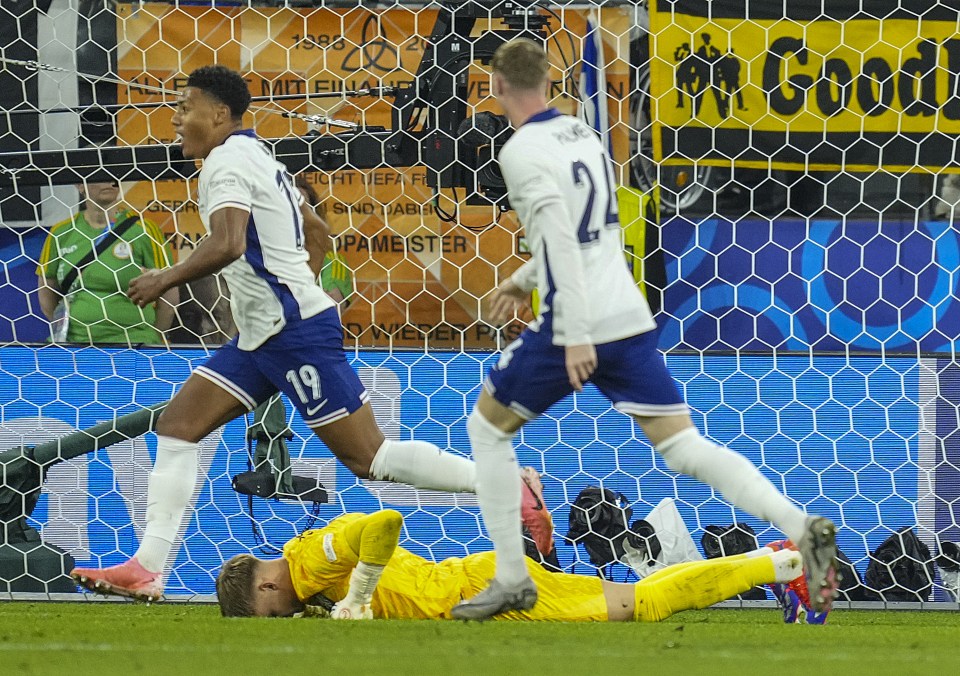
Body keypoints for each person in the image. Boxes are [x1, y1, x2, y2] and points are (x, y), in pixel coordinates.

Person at [69, 65, 550, 602]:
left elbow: (228, 242)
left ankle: (506, 484)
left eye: (187, 107)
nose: (177, 118)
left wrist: (167, 276)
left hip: (290, 332)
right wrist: (299, 283)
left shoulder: (225, 165)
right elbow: (317, 231)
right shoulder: (259, 156)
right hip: (263, 334)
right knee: (180, 426)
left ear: (220, 114)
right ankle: (147, 567)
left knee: (369, 459)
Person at [449, 39, 839, 621]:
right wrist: (522, 277)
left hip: (572, 324)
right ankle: (799, 525)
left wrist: (574, 331)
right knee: (684, 446)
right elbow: (593, 232)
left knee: (487, 431)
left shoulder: (521, 149)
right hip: (628, 315)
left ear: (496, 86)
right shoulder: (582, 135)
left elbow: (559, 236)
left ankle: (513, 578)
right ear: (552, 81)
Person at [216, 508, 806, 621]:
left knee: (643, 605)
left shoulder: (313, 561)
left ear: (267, 584)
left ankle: (780, 563)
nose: (282, 617)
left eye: (271, 611)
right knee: (639, 599)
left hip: (485, 590)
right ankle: (775, 561)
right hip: (478, 591)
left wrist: (358, 594)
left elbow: (384, 523)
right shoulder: (309, 576)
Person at [36, 180, 178, 345]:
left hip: (136, 342)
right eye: (99, 176)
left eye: (114, 177)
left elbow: (169, 293)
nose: (110, 182)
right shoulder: (61, 232)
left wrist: (153, 338)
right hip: (75, 344)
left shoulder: (145, 230)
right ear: (79, 185)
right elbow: (47, 289)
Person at [294, 175, 354, 308]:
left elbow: (330, 308)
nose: (297, 216)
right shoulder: (259, 256)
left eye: (303, 208)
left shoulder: (332, 261)